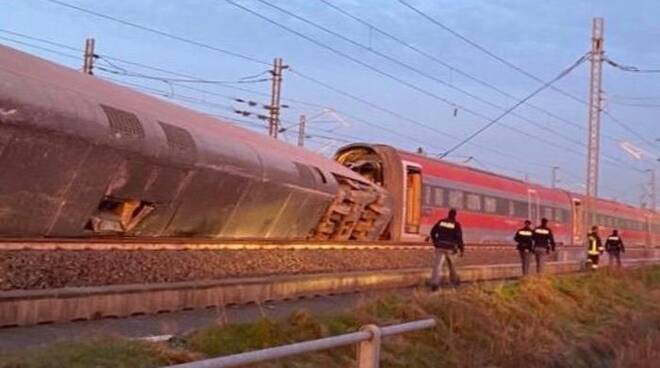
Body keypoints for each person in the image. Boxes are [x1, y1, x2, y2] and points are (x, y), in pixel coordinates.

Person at [429, 208, 464, 291]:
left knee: (437, 265)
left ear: (448, 214)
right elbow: (459, 238)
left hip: (440, 246)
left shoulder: (441, 222)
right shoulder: (456, 224)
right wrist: (461, 249)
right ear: (455, 215)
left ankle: (435, 283)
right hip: (450, 248)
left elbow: (432, 232)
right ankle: (454, 282)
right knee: (452, 266)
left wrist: (435, 242)